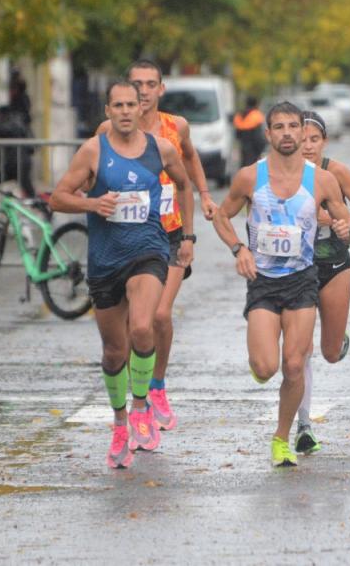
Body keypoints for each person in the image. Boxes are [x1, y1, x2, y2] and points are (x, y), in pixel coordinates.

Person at [50, 80, 191, 468]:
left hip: (148, 250)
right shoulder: (93, 150)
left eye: (132, 104)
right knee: (114, 351)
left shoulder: (160, 149)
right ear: (108, 110)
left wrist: (187, 234)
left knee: (143, 327)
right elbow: (59, 197)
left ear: (139, 108)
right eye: (119, 105)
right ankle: (118, 420)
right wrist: (93, 203)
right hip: (105, 260)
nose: (127, 111)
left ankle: (142, 405)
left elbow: (183, 184)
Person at [211, 101, 350, 467]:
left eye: (294, 126)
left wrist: (346, 229)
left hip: (303, 282)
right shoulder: (249, 177)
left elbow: (349, 225)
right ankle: (261, 364)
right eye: (280, 127)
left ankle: (281, 438)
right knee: (265, 368)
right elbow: (221, 216)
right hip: (263, 282)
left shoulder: (322, 180)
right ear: (269, 133)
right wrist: (238, 248)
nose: (288, 133)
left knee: (294, 365)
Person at [96, 59, 214, 433]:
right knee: (135, 325)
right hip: (127, 237)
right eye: (137, 84)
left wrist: (204, 200)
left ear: (161, 89)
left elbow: (190, 160)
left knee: (159, 316)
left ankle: (156, 387)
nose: (143, 91)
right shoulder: (106, 130)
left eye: (150, 84)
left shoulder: (175, 126)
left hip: (170, 232)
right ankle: (137, 396)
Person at [294, 111, 350, 454]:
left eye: (314, 140)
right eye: (302, 140)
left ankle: (337, 337)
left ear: (324, 142)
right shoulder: (283, 174)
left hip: (335, 262)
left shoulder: (336, 172)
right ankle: (304, 425)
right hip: (297, 267)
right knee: (300, 351)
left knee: (328, 353)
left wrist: (338, 219)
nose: (308, 146)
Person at [234, 96, 267, 167]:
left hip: (243, 146)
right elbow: (259, 136)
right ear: (256, 104)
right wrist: (262, 146)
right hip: (254, 147)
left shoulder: (239, 115)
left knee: (244, 165)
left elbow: (237, 135)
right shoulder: (256, 115)